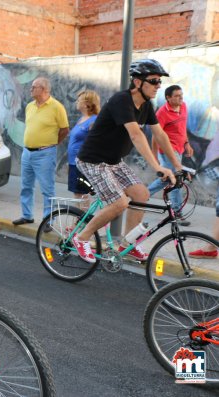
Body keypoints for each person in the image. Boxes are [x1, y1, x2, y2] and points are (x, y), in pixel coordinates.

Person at [73, 59, 180, 263]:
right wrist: (157, 167)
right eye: (154, 81)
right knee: (119, 202)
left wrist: (177, 165)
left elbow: (160, 135)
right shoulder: (121, 101)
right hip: (92, 160)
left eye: (159, 81)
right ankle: (82, 237)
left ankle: (128, 245)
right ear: (138, 82)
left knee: (142, 193)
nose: (158, 85)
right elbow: (136, 135)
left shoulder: (147, 105)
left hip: (113, 161)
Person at [13, 77, 69, 226]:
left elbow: (64, 129)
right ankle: (27, 215)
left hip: (45, 153)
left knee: (47, 189)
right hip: (27, 153)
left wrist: (51, 143)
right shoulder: (29, 106)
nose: (31, 89)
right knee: (26, 186)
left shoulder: (57, 107)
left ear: (44, 89)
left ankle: (48, 220)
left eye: (34, 87)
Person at [147, 84, 193, 226]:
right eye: (177, 96)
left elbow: (182, 128)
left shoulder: (183, 106)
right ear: (168, 98)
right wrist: (154, 157)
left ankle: (140, 196)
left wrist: (187, 143)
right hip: (167, 150)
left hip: (179, 149)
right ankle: (177, 212)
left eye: (181, 94)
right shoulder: (161, 113)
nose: (181, 98)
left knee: (168, 179)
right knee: (175, 179)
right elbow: (155, 136)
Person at [67, 90, 100, 209]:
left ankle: (82, 221)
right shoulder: (81, 119)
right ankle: (79, 220)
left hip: (82, 163)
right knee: (77, 193)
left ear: (87, 104)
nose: (76, 102)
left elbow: (96, 142)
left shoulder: (94, 120)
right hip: (73, 163)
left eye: (79, 100)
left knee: (83, 193)